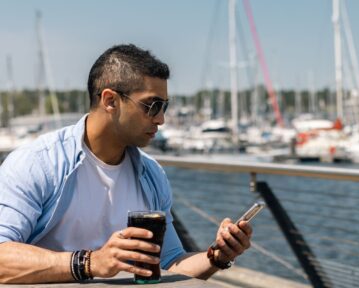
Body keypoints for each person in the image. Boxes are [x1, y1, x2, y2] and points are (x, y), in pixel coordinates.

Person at [0, 44, 253, 283]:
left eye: (164, 106)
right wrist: (89, 263)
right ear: (110, 101)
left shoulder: (151, 174)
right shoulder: (39, 164)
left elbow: (170, 263)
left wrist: (217, 257)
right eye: (152, 106)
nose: (161, 119)